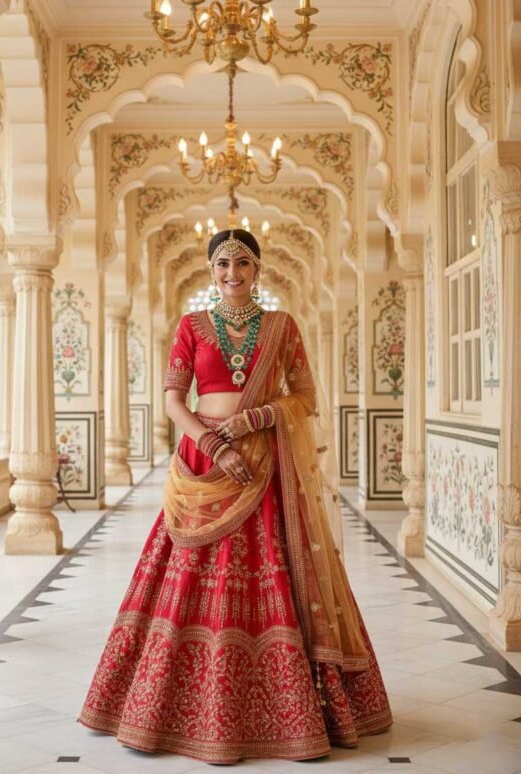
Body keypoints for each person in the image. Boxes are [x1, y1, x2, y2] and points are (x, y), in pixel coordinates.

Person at [79, 228, 392, 764]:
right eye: (222, 265)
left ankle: (291, 713)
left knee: (273, 565)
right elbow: (174, 400)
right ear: (210, 272)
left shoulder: (281, 326)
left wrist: (255, 418)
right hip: (205, 462)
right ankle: (170, 708)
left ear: (258, 270)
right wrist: (213, 443)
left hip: (264, 461)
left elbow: (306, 397)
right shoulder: (191, 327)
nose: (232, 274)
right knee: (185, 574)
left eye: (242, 264)